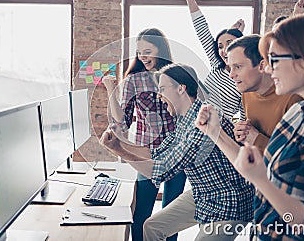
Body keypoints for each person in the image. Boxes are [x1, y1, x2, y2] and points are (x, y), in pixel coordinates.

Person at [196, 11, 304, 240]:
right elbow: (256, 167)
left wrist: (262, 182)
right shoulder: (297, 114)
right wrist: (214, 133)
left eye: (274, 60)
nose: (268, 68)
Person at [101, 64, 254, 241]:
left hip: (228, 202)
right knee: (152, 227)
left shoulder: (203, 119)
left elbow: (162, 171)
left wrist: (118, 150)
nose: (159, 96)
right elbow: (156, 154)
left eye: (163, 89)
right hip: (203, 193)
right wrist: (120, 144)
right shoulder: (183, 119)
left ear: (181, 88)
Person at [102, 28, 186, 241]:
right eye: (139, 52)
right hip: (145, 152)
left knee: (170, 214)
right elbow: (122, 120)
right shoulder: (133, 80)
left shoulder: (176, 76)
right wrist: (111, 89)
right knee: (142, 213)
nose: (143, 57)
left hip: (176, 151)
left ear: (161, 50)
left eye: (148, 51)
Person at [176, 0, 245, 120]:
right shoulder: (217, 64)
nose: (224, 50)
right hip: (193, 121)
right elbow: (201, 27)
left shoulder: (245, 78)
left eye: (230, 44)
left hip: (217, 132)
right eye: (220, 46)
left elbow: (245, 114)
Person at [226, 35, 303, 153]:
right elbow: (251, 136)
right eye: (230, 67)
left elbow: (297, 157)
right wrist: (242, 133)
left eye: (238, 67)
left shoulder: (293, 99)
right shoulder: (247, 93)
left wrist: (257, 139)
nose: (231, 75)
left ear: (262, 66)